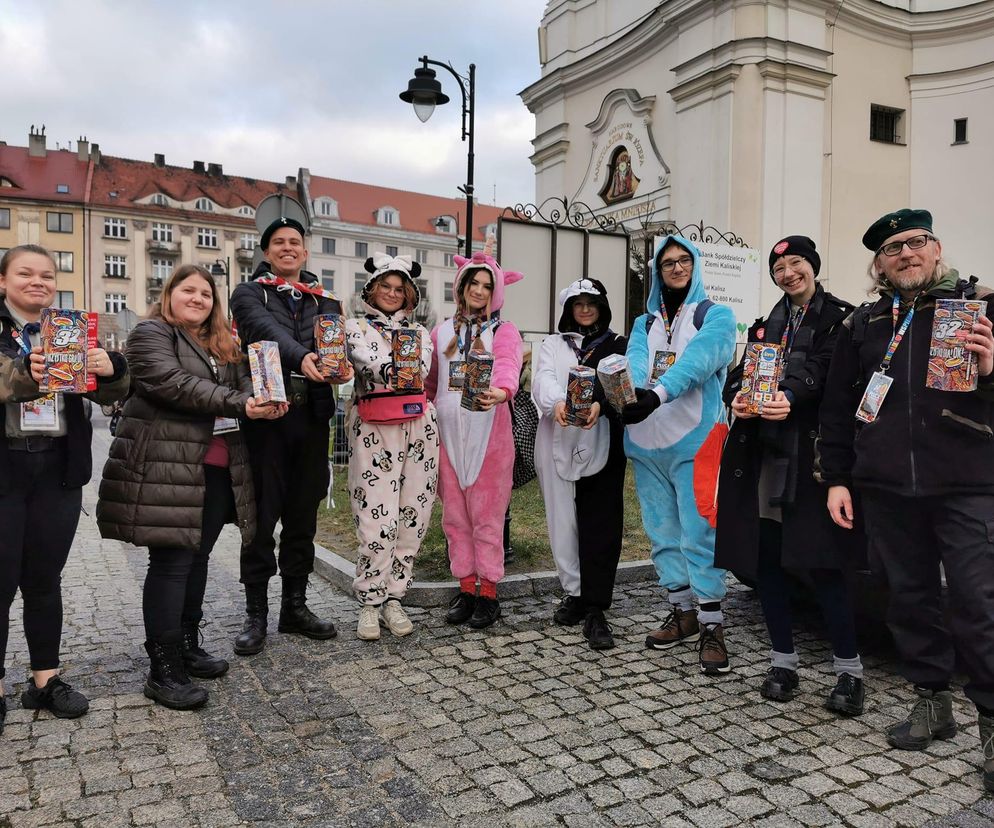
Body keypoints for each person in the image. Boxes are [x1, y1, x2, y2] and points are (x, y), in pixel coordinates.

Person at [817, 208, 994, 792]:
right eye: (892, 249)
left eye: (915, 243)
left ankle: (991, 722)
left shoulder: (981, 306)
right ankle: (932, 700)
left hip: (968, 482)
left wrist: (991, 369)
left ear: (936, 248)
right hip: (888, 487)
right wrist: (838, 477)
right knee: (910, 600)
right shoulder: (864, 325)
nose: (905, 254)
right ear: (880, 264)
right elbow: (838, 407)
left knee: (977, 604)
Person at [98, 265, 285, 709]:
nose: (199, 298)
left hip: (218, 466)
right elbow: (173, 384)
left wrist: (269, 397)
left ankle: (186, 645)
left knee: (197, 558)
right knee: (171, 563)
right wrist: (243, 402)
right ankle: (162, 670)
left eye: (206, 293)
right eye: (189, 290)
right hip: (168, 465)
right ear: (170, 295)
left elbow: (244, 384)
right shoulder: (150, 333)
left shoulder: (222, 343)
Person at [715, 236, 865, 714]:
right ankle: (783, 660)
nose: (788, 273)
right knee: (768, 563)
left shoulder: (843, 319)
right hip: (763, 458)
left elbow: (827, 370)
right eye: (779, 268)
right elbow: (740, 375)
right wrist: (736, 396)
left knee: (824, 565)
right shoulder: (765, 327)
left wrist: (792, 395)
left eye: (796, 263)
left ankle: (850, 671)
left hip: (815, 460)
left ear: (813, 266)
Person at [0, 244, 129, 732]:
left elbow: (114, 392)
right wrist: (22, 373)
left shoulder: (69, 329)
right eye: (26, 274)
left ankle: (45, 679)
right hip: (5, 470)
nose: (39, 282)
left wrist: (109, 369)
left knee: (43, 579)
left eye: (47, 275)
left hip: (57, 468)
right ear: (4, 281)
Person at [228, 217, 352, 655]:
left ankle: (294, 608)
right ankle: (255, 615)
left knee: (303, 517)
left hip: (313, 419)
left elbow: (338, 348)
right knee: (260, 520)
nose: (287, 248)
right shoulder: (249, 294)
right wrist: (304, 356)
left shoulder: (328, 302)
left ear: (305, 252)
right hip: (267, 421)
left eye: (294, 243)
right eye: (278, 242)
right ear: (266, 253)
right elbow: (266, 331)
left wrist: (344, 364)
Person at [621, 234, 736, 675]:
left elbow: (703, 359)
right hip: (646, 442)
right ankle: (683, 612)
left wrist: (658, 393)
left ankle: (712, 625)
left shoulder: (717, 315)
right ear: (657, 271)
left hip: (696, 442)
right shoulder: (643, 322)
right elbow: (633, 364)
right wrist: (627, 396)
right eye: (666, 262)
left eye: (682, 260)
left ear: (695, 265)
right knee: (662, 533)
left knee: (699, 532)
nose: (674, 268)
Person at [426, 242, 523, 629]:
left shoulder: (504, 330)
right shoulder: (442, 332)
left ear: (495, 291)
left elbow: (508, 366)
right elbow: (431, 380)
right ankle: (466, 586)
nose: (479, 290)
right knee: (455, 517)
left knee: (487, 516)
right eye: (473, 282)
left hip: (489, 435)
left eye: (486, 285)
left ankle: (489, 592)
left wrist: (501, 392)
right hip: (448, 435)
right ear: (462, 285)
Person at [345, 253, 438, 640]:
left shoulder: (420, 334)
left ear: (410, 296)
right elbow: (367, 364)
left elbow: (421, 370)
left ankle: (396, 596)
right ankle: (370, 600)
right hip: (373, 424)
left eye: (400, 289)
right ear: (372, 289)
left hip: (419, 425)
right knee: (374, 515)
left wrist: (397, 370)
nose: (392, 293)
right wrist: (395, 369)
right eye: (385, 286)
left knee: (413, 512)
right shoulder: (352, 328)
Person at [532, 278, 628, 650]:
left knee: (600, 521)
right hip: (556, 433)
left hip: (601, 435)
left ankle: (596, 603)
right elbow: (541, 378)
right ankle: (574, 591)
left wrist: (598, 405)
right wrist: (558, 402)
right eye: (578, 303)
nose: (585, 309)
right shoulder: (552, 345)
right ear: (568, 308)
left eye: (591, 303)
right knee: (562, 519)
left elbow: (619, 380)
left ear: (602, 306)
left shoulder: (617, 344)